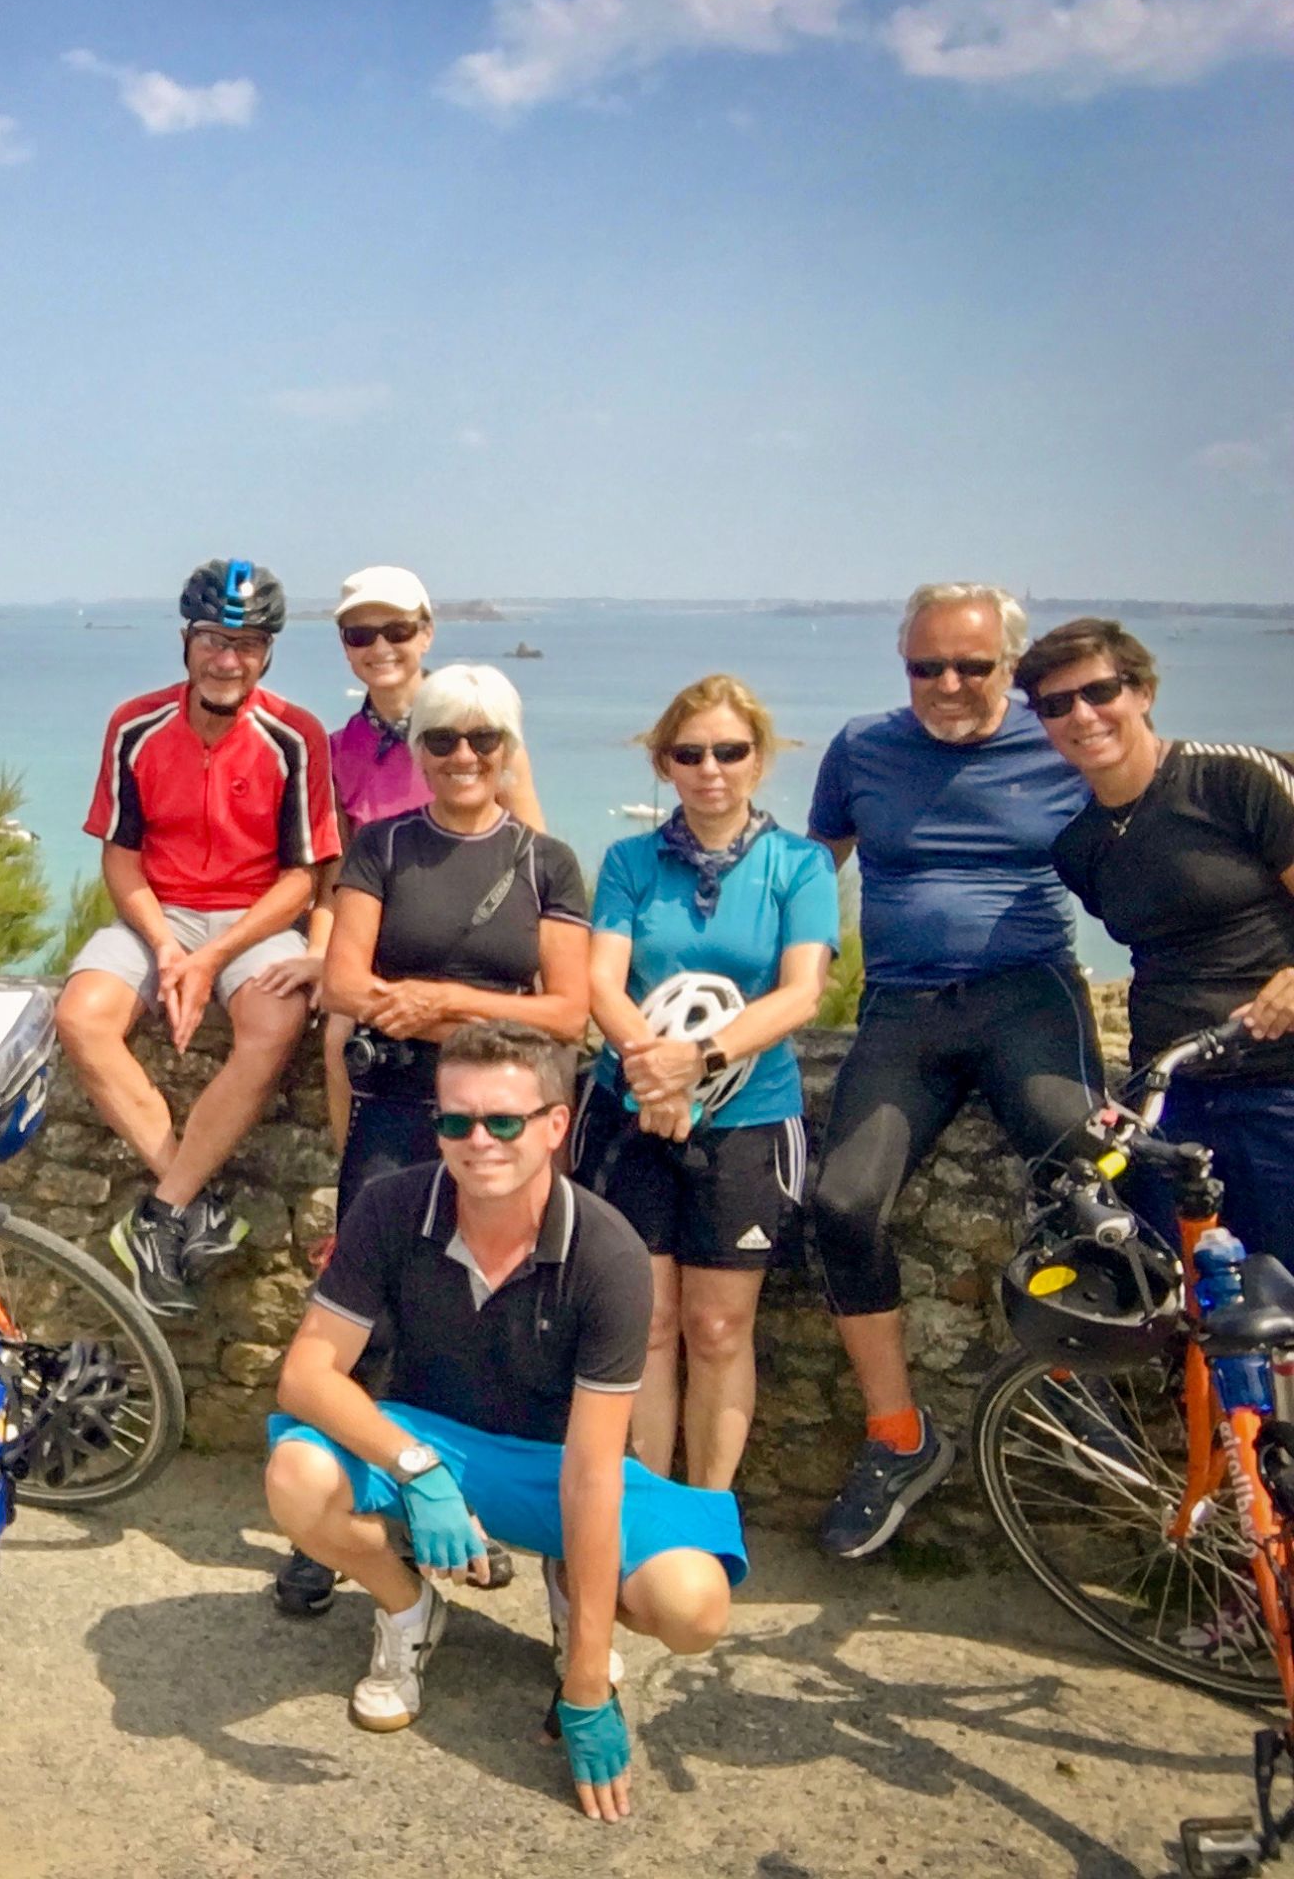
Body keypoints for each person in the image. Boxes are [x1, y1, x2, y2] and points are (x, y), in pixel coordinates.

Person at [264, 1023, 744, 1822]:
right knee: (297, 1474)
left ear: (556, 1126)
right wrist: (415, 1468)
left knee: (694, 1607)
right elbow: (306, 1375)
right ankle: (405, 1608)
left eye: (504, 1121)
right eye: (456, 1121)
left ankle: (573, 1598)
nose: (477, 1141)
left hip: (560, 1464)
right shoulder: (392, 1206)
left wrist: (588, 1687)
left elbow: (592, 1473)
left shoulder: (609, 1253)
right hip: (430, 1435)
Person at [271, 663, 590, 1615]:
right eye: (443, 739)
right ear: (420, 750)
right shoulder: (383, 850)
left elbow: (569, 1012)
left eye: (483, 740)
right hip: (395, 1110)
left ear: (508, 751)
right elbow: (343, 984)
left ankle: (478, 1513)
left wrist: (445, 1003)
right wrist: (481, 1014)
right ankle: (328, 1527)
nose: (462, 756)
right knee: (361, 1316)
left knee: (496, 1322)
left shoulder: (547, 863)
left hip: (506, 1127)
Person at [803, 584, 1100, 1558]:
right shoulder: (862, 747)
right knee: (842, 1204)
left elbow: (1160, 821)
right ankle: (898, 1439)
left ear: (1009, 669)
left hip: (1028, 996)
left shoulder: (1058, 740)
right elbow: (815, 872)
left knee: (1085, 1179)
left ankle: (1079, 1392)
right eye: (924, 665)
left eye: (971, 666)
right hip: (902, 1008)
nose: (946, 684)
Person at [56, 558, 340, 1317]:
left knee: (276, 1019)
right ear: (186, 641)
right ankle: (187, 1200)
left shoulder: (295, 735)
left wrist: (212, 955)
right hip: (157, 910)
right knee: (81, 1016)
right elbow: (120, 854)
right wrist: (167, 948)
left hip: (256, 917)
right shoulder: (135, 725)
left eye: (247, 644)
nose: (228, 659)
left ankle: (160, 1210)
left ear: (269, 652)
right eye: (214, 639)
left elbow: (302, 877)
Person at [577, 675, 836, 1494]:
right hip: (636, 1117)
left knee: (720, 1328)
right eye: (690, 753)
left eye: (730, 750)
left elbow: (802, 993)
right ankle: (647, 1502)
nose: (711, 768)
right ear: (665, 764)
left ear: (759, 760)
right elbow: (601, 981)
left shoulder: (799, 865)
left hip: (751, 1121)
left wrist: (700, 1061)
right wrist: (653, 1073)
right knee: (647, 1325)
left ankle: (707, 1507)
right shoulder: (628, 862)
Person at [1017, 617, 1294, 1265]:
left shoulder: (1234, 780)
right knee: (1192, 1312)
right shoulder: (1078, 847)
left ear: (1142, 691)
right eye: (1056, 706)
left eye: (1099, 692)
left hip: (1278, 1085)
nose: (1082, 716)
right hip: (1172, 1097)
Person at [316, 565, 548, 1141]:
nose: (381, 648)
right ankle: (358, 1196)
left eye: (396, 631)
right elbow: (335, 876)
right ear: (345, 647)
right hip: (385, 952)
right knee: (337, 1038)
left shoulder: (481, 735)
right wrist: (321, 956)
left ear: (426, 633)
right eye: (360, 635)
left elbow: (534, 859)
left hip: (484, 953)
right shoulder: (339, 751)